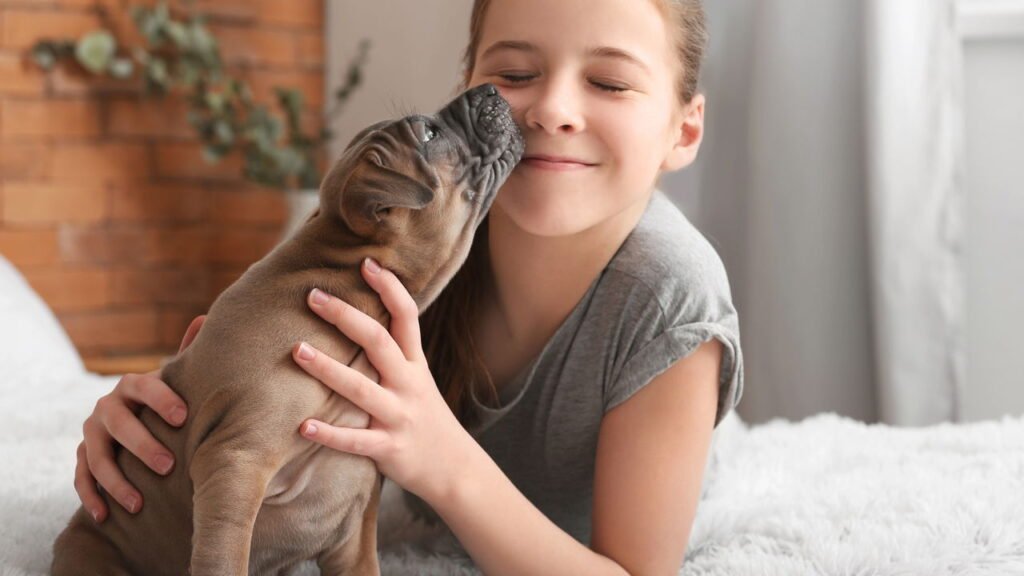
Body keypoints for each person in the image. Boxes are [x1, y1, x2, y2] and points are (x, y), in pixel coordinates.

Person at [74, 0, 744, 573]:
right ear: (469, 87)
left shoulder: (672, 302)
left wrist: (442, 461)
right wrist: (159, 412)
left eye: (610, 82)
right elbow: (244, 359)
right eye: (515, 74)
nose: (552, 110)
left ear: (683, 130)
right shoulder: (413, 223)